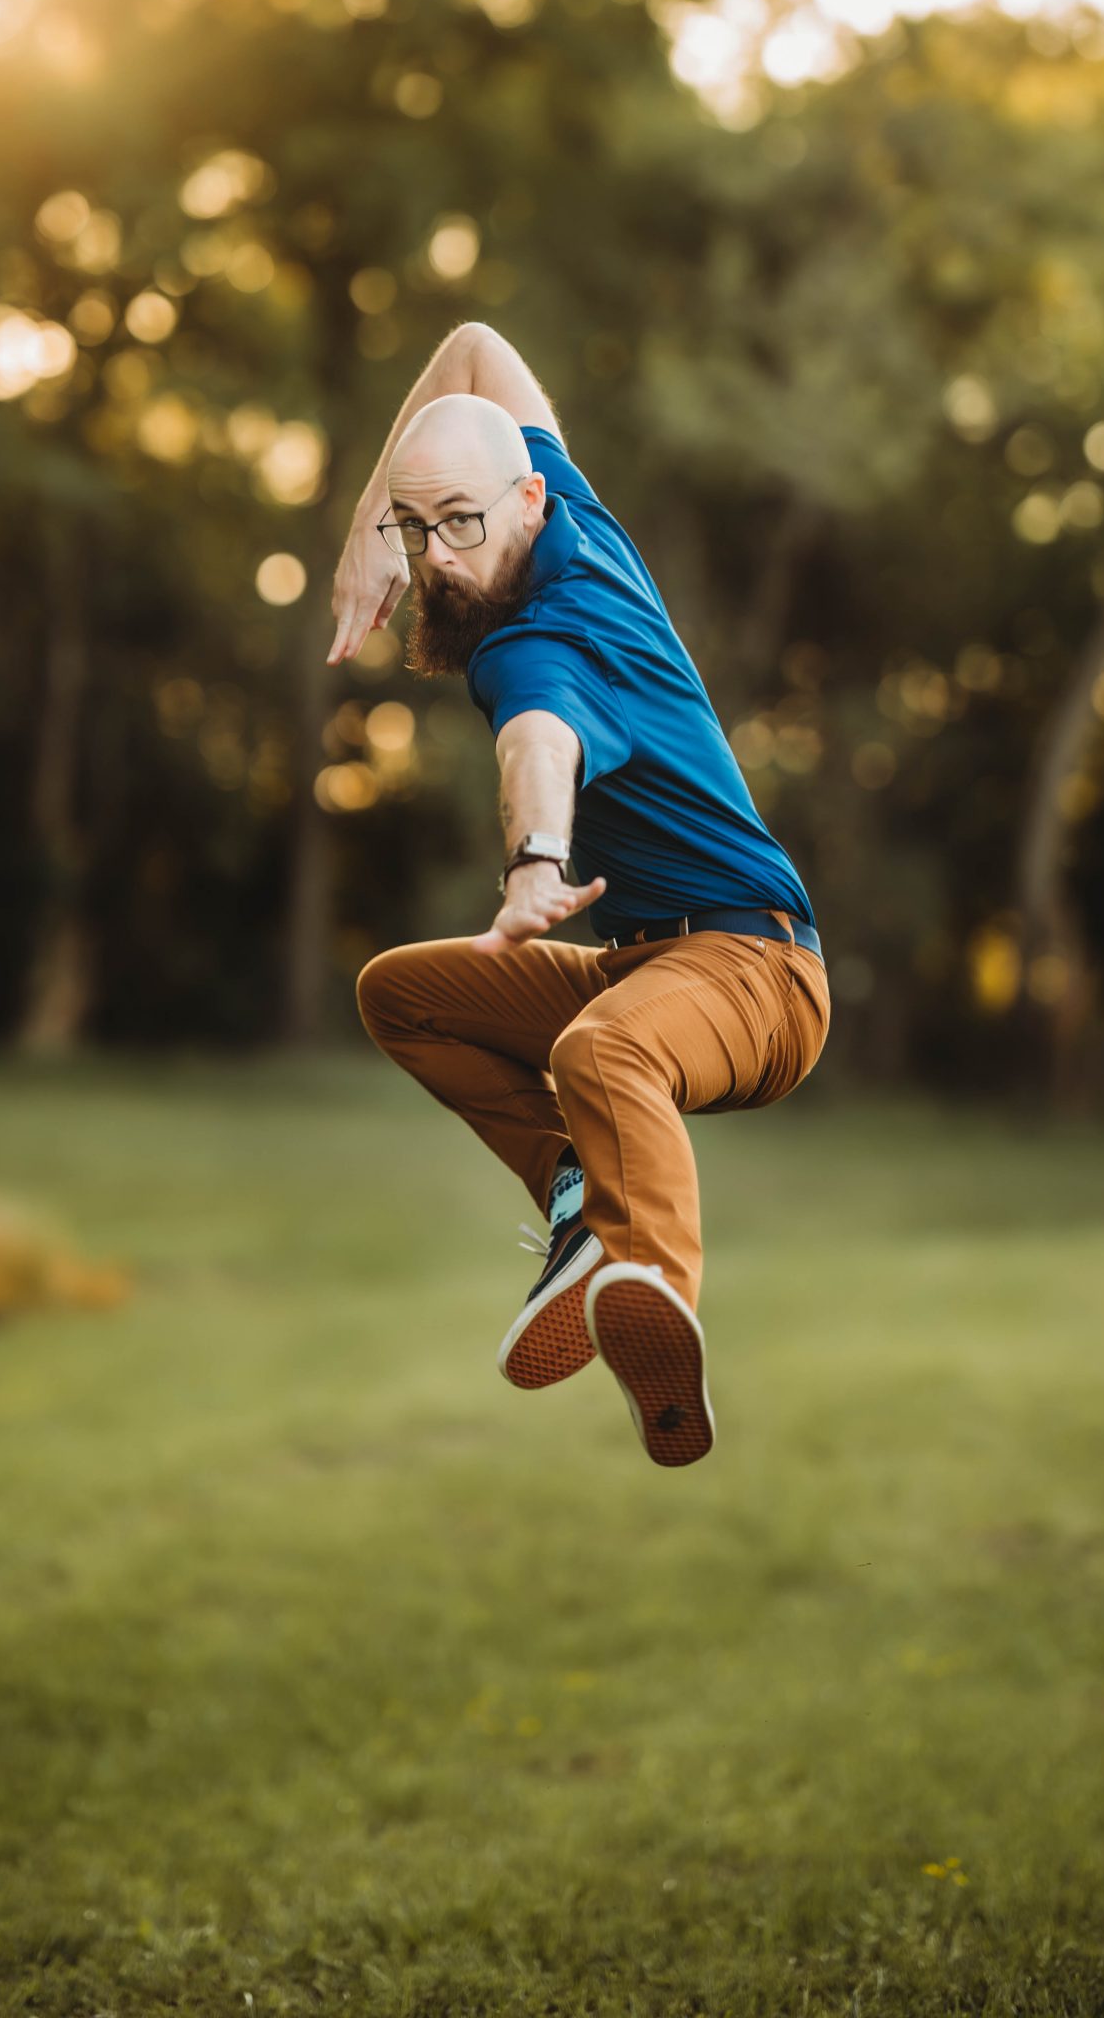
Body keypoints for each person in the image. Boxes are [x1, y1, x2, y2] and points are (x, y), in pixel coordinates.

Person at [327, 322, 831, 1469]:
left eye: (461, 521)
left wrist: (535, 866)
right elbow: (472, 345)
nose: (439, 556)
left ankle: (647, 1273)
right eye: (419, 527)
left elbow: (537, 744)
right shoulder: (572, 511)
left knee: (599, 1054)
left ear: (526, 506)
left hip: (760, 973)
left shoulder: (534, 646)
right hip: (653, 964)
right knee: (403, 994)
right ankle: (574, 1204)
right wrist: (368, 527)